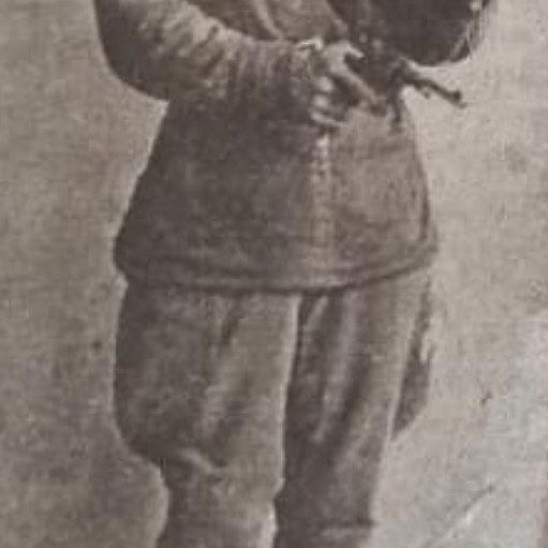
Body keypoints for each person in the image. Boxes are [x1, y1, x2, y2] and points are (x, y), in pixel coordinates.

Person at [93, 0, 494, 546]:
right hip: (226, 240)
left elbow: (429, 36)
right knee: (218, 519)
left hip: (373, 226)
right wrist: (271, 73)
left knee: (339, 522)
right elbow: (138, 23)